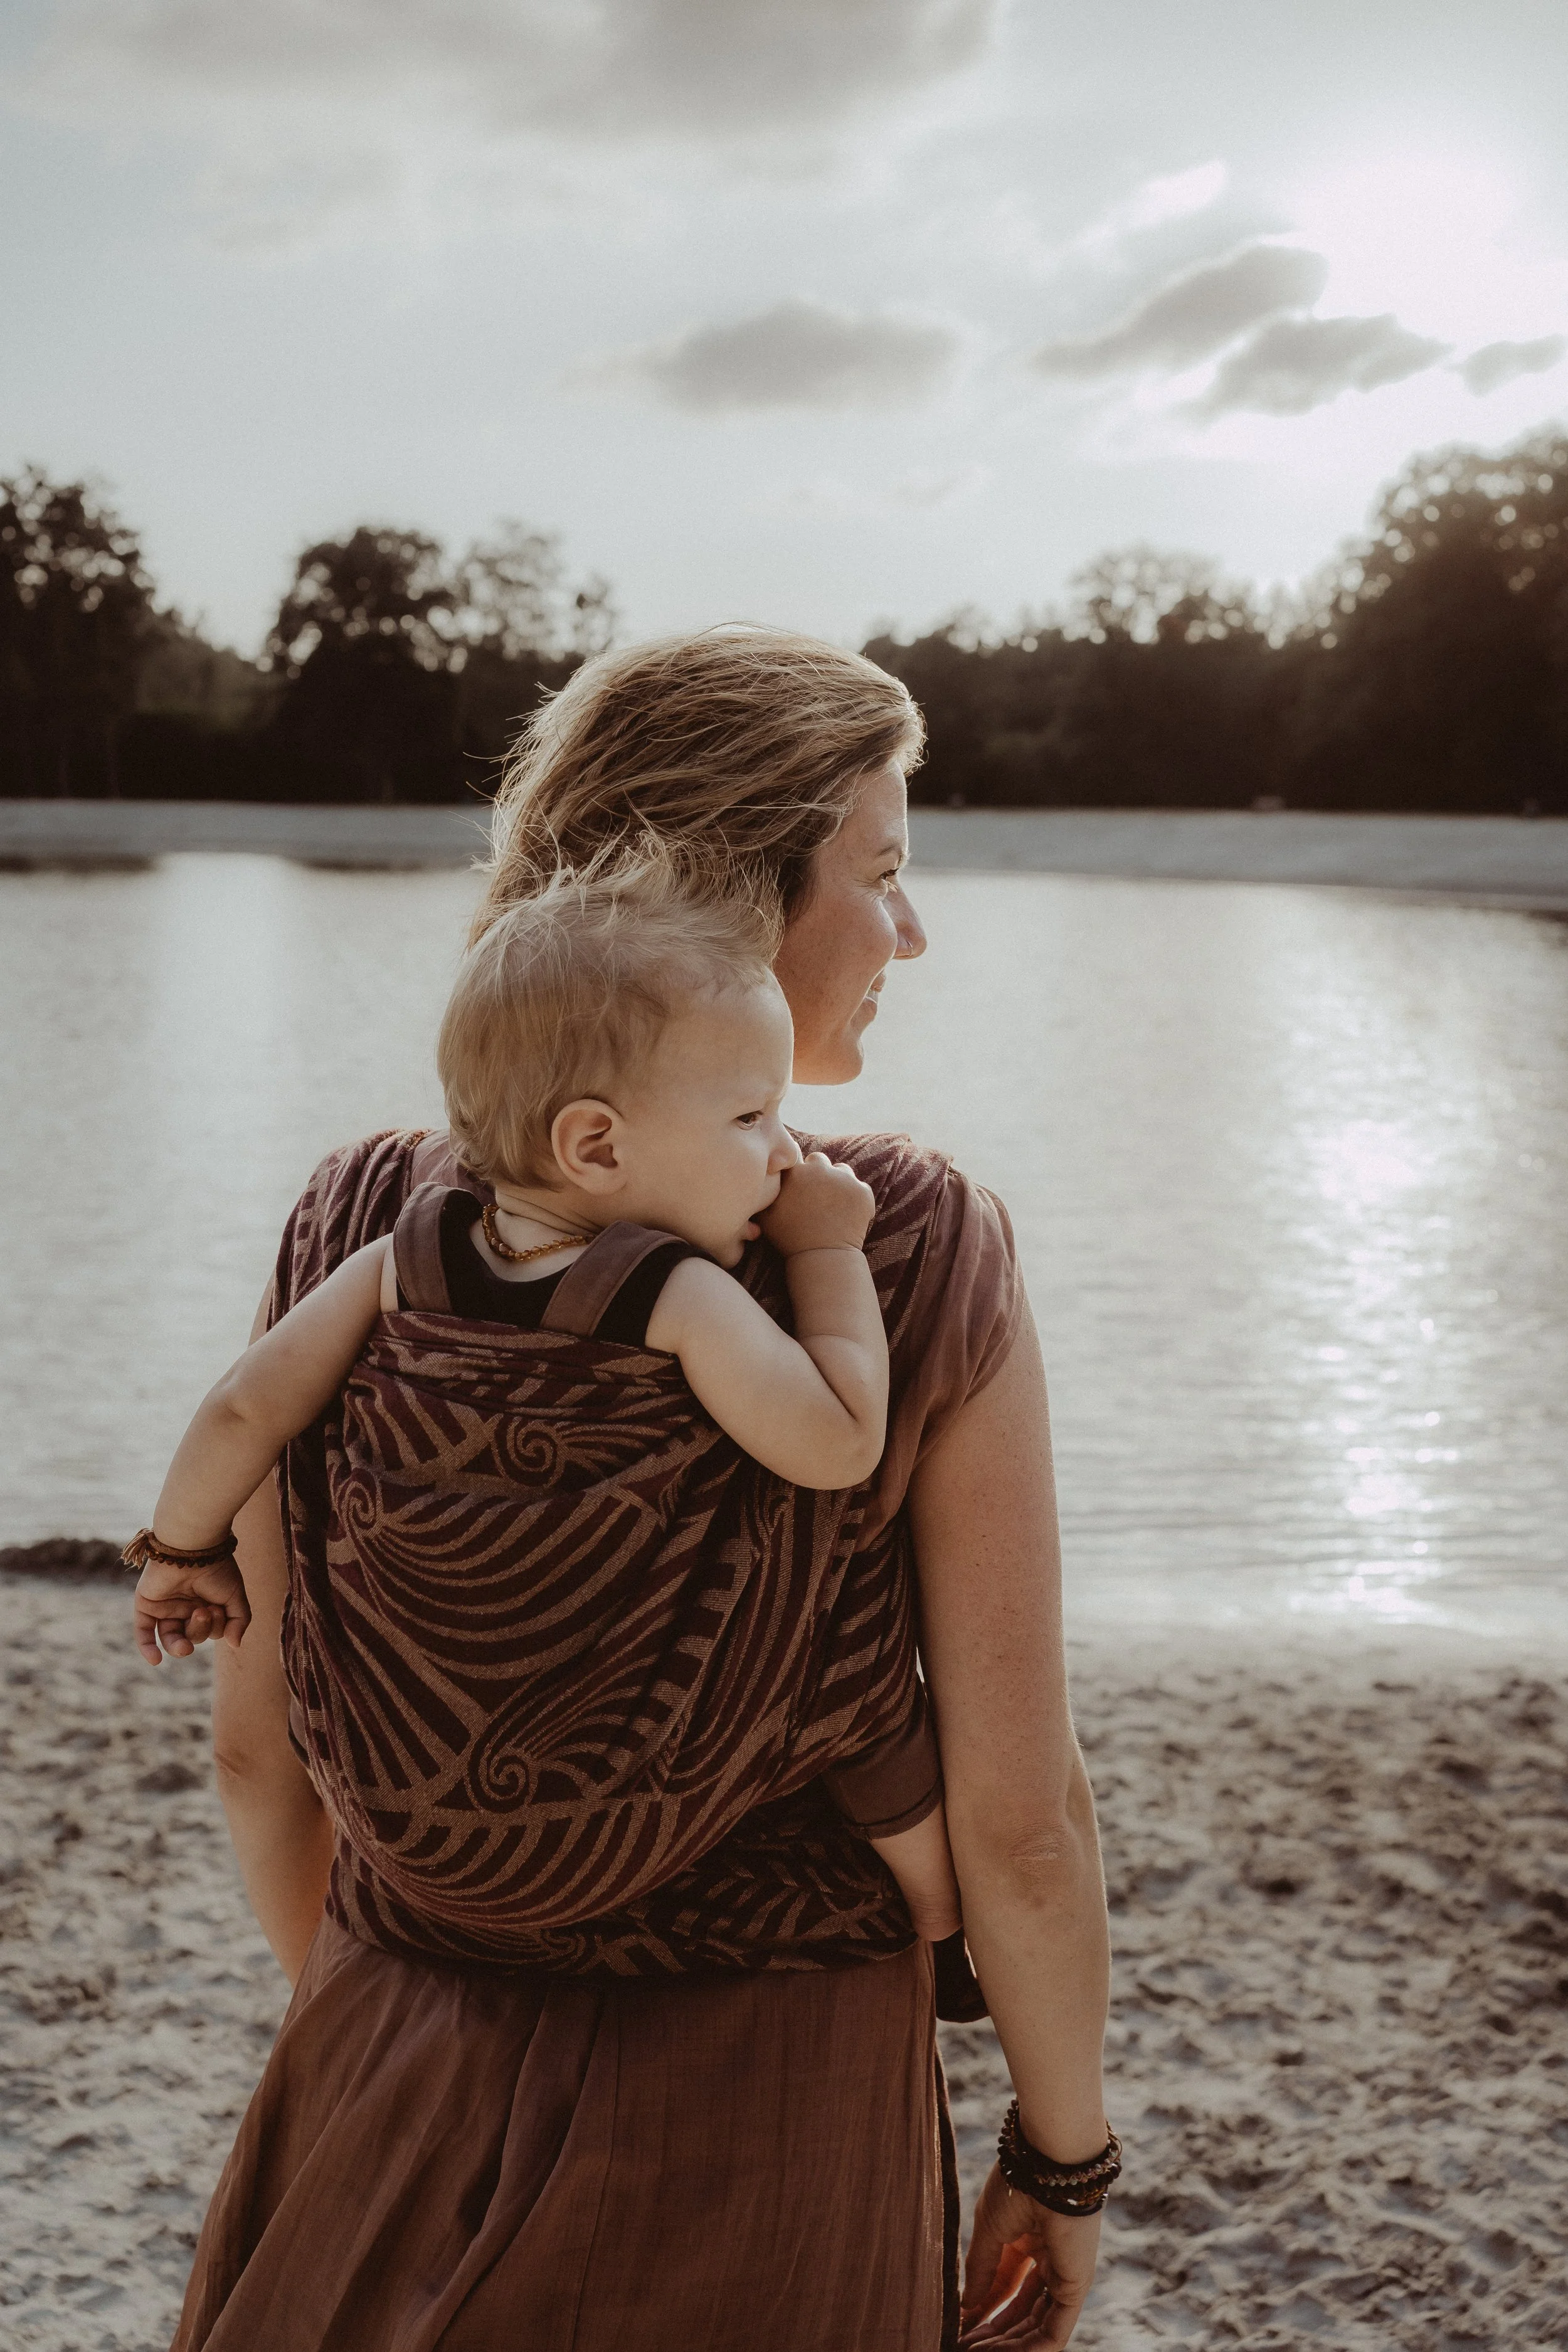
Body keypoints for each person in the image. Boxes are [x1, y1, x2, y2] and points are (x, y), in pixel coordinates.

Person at [169, 627, 1113, 2352]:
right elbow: (1019, 1821)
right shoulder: (903, 1244)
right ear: (735, 886)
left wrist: (380, 2009)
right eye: (879, 872)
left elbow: (260, 1744)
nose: (909, 930)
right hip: (778, 2101)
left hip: (390, 2035)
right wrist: (1061, 2158)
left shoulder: (368, 1226)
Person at [129, 858, 962, 1946]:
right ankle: (941, 1920)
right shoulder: (667, 1291)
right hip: (600, 1817)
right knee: (847, 1654)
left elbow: (245, 1406)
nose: (785, 1153)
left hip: (398, 1813)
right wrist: (828, 1250)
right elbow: (841, 1440)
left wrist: (182, 1550)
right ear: (597, 1145)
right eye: (752, 1116)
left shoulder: (405, 1256)